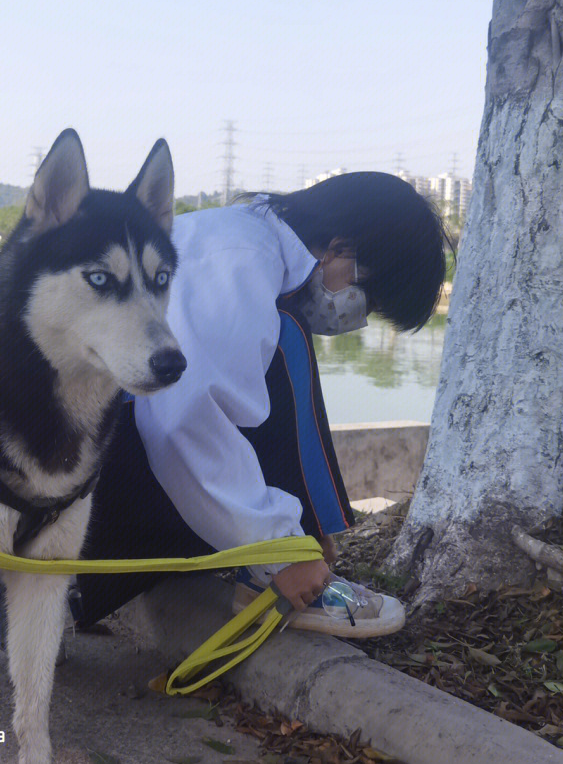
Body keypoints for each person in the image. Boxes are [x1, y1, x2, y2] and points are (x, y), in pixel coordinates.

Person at [70, 171, 453, 637]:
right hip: (81, 487)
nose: (358, 316)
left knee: (280, 342)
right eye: (367, 299)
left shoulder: (248, 243)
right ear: (339, 247)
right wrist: (278, 549)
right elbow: (182, 420)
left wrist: (299, 529)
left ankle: (286, 549)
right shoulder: (241, 263)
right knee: (282, 348)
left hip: (85, 458)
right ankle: (271, 571)